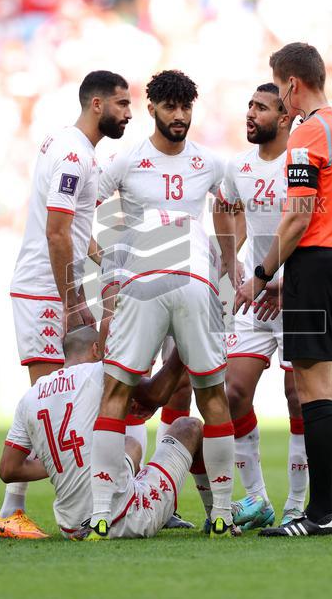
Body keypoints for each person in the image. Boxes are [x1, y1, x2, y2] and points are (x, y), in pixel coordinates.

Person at [235, 43, 332, 537]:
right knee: (330, 391)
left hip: (316, 266)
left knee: (312, 389)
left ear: (292, 85)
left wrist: (260, 273)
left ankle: (317, 516)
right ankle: (327, 511)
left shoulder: (308, 136)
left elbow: (297, 216)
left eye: (278, 89)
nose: (281, 98)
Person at [0, 71, 131, 539]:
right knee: (50, 400)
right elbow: (56, 230)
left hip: (48, 287)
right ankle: (11, 510)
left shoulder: (71, 146)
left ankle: (17, 508)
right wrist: (73, 300)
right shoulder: (75, 154)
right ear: (97, 104)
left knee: (57, 401)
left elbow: (71, 228)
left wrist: (102, 263)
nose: (128, 113)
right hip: (43, 291)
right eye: (121, 103)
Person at [95, 69, 225, 528]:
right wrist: (104, 267)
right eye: (170, 107)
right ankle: (119, 495)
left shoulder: (208, 162)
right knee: (128, 385)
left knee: (189, 385)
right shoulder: (127, 159)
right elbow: (81, 209)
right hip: (139, 285)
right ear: (151, 109)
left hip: (191, 280)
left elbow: (232, 209)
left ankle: (194, 505)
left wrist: (229, 260)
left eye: (186, 107)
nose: (179, 116)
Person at [88, 208, 239, 538]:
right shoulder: (201, 234)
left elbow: (110, 308)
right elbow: (215, 289)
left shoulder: (123, 239)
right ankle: (223, 517)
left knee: (113, 395)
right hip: (199, 284)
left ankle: (100, 515)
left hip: (141, 286)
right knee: (213, 398)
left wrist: (113, 373)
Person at [0, 326, 204, 540]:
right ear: (96, 349)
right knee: (189, 427)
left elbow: (8, 470)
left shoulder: (30, 396)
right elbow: (157, 394)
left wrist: (63, 462)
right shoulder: (100, 372)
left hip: (70, 525)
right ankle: (217, 516)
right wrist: (185, 342)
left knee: (130, 444)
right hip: (123, 518)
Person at [211, 83, 306, 529]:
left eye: (261, 108)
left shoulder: (304, 159)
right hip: (256, 294)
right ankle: (258, 499)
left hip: (299, 294)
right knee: (232, 392)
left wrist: (293, 278)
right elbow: (224, 206)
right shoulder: (240, 166)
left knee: (297, 397)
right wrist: (232, 264)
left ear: (285, 117)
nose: (250, 113)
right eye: (248, 105)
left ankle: (298, 505)